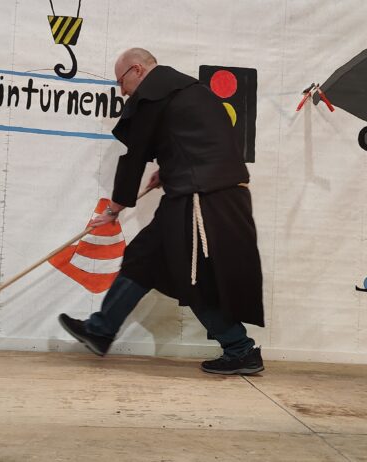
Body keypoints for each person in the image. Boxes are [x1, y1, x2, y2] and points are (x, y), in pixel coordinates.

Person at [58, 48, 265, 375]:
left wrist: (114, 209)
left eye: (121, 82)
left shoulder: (153, 93)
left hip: (200, 200)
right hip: (208, 195)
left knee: (193, 276)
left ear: (137, 70)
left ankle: (240, 349)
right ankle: (101, 330)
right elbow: (200, 143)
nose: (122, 92)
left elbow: (134, 157)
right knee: (143, 259)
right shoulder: (191, 90)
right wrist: (169, 171)